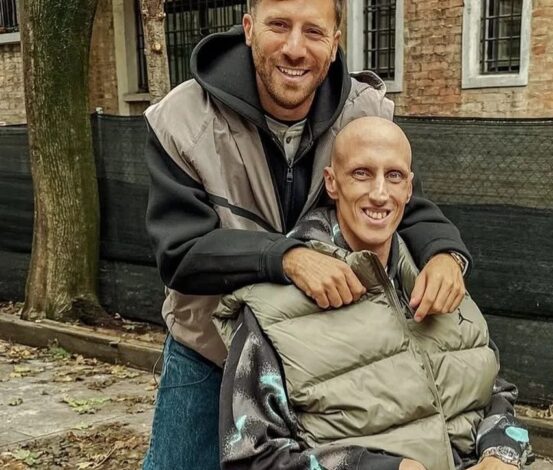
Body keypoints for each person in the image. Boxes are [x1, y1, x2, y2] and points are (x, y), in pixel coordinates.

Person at [143, 0, 472, 468]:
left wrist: (445, 253)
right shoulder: (182, 120)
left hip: (324, 358)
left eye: (314, 32)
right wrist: (287, 256)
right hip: (211, 352)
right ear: (249, 29)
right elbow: (180, 252)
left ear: (335, 43)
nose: (295, 48)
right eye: (279, 25)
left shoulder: (364, 111)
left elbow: (401, 203)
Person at [214, 117, 534, 470]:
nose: (380, 193)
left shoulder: (440, 276)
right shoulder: (274, 306)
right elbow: (251, 456)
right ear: (332, 183)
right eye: (361, 173)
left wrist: (501, 452)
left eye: (394, 176)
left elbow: (493, 392)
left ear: (409, 189)